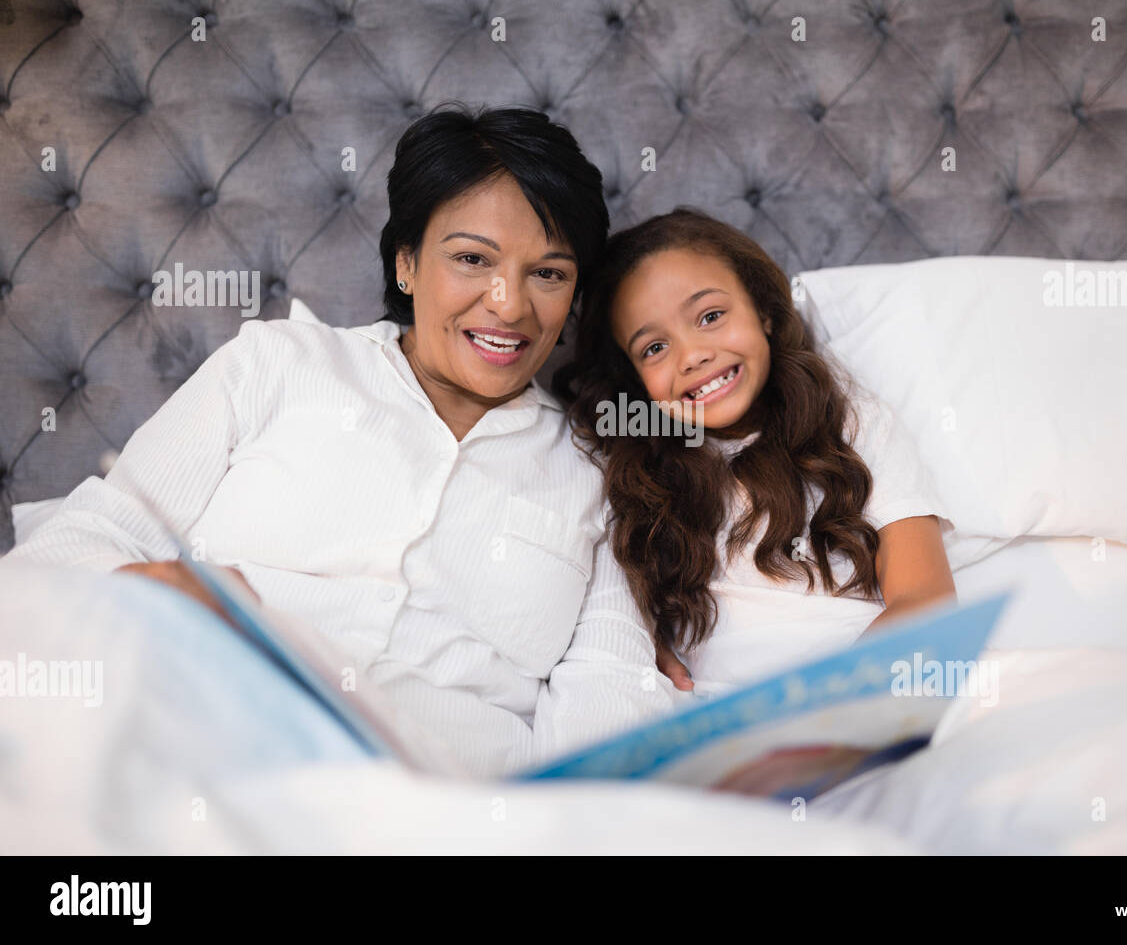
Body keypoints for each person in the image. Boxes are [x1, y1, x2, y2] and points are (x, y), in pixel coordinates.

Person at [6, 104, 677, 775]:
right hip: (209, 738)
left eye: (549, 273)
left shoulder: (599, 471)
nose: (509, 304)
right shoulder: (277, 363)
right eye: (472, 258)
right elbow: (80, 541)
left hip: (447, 795)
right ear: (408, 262)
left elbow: (609, 679)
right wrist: (147, 590)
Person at [557, 208, 957, 697]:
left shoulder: (853, 423)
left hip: (871, 682)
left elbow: (926, 599)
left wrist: (827, 702)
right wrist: (640, 640)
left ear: (764, 311)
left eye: (710, 316)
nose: (693, 355)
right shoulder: (629, 468)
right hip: (720, 706)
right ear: (635, 381)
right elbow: (602, 604)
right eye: (654, 348)